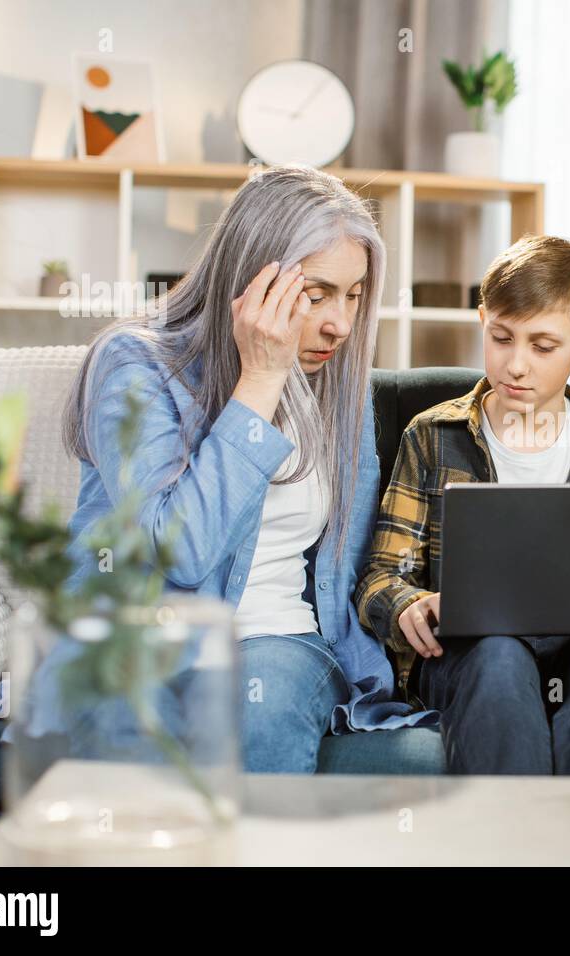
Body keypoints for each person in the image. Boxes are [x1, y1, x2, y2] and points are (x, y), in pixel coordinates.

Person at [59, 163, 434, 773]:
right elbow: (179, 548)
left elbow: (355, 554)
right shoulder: (135, 364)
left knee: (257, 708)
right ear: (252, 278)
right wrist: (260, 379)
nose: (340, 323)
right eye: (316, 295)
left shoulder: (338, 386)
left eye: (355, 295)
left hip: (278, 639)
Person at [356, 235, 570, 774]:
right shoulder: (432, 436)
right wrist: (409, 604)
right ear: (482, 323)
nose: (516, 364)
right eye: (501, 338)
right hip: (475, 655)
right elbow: (381, 575)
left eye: (543, 347)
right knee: (497, 653)